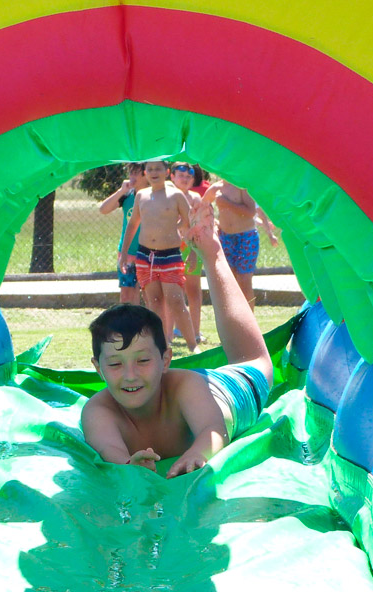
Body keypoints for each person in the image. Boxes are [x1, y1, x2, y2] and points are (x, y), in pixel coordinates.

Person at [83, 203, 273, 478]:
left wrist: (198, 453)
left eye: (143, 360)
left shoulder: (185, 386)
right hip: (196, 392)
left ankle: (212, 251)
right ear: (98, 368)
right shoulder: (98, 410)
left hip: (229, 388)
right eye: (115, 364)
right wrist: (127, 465)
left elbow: (213, 430)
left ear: (166, 360)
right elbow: (108, 449)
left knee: (255, 361)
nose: (130, 375)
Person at [118, 161, 200, 352]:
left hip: (170, 256)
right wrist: (124, 254)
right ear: (145, 173)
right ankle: (162, 345)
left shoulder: (176, 195)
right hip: (145, 256)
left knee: (176, 301)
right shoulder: (142, 195)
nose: (154, 172)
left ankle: (192, 345)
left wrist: (193, 252)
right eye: (150, 169)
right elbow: (132, 225)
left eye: (158, 169)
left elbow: (190, 224)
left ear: (167, 172)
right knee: (154, 302)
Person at [201, 179, 260, 307]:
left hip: (246, 237)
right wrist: (213, 222)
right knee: (229, 281)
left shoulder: (241, 185)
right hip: (225, 237)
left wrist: (227, 203)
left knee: (244, 281)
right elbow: (202, 206)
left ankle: (249, 317)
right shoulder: (216, 188)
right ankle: (234, 316)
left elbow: (251, 212)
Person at [98, 163, 148, 304]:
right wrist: (121, 191)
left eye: (136, 173)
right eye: (130, 173)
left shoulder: (153, 196)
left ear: (146, 175)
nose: (132, 177)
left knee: (149, 295)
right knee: (127, 296)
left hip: (148, 252)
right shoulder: (127, 195)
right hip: (128, 252)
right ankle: (128, 319)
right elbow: (103, 209)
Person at [169, 161, 206, 344]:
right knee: (172, 290)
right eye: (181, 176)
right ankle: (171, 331)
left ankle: (195, 331)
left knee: (193, 289)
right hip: (170, 248)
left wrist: (193, 251)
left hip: (190, 248)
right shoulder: (166, 197)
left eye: (188, 177)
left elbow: (198, 226)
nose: (185, 179)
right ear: (172, 177)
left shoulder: (195, 199)